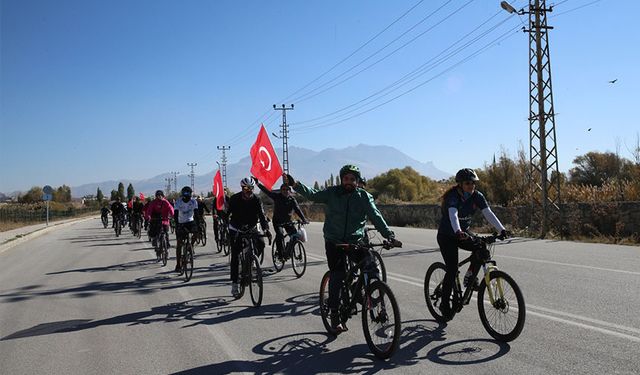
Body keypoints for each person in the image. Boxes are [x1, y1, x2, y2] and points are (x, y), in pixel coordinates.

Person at [287, 165, 402, 332]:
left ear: (357, 181)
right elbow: (313, 194)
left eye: (352, 179)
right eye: (346, 179)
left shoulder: (363, 196)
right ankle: (334, 315)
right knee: (338, 275)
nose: (349, 182)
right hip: (334, 241)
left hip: (356, 240)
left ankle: (367, 293)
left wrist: (389, 235)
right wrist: (296, 185)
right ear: (342, 179)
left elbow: (375, 215)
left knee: (370, 266)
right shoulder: (332, 193)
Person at [437, 168, 510, 320]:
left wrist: (501, 229)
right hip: (447, 236)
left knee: (481, 248)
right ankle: (444, 304)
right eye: (468, 183)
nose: (471, 186)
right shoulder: (453, 196)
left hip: (463, 233)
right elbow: (453, 214)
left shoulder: (477, 196)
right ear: (460, 184)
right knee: (451, 269)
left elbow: (488, 213)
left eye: (473, 183)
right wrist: (457, 231)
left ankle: (470, 277)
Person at [227, 178, 271, 296]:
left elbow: (261, 215)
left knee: (261, 243)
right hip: (236, 227)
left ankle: (250, 261)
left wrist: (266, 229)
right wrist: (226, 227)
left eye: (251, 188)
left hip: (251, 226)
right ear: (242, 188)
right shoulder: (235, 199)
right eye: (246, 188)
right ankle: (235, 283)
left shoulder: (257, 199)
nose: (249, 190)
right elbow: (227, 214)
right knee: (235, 255)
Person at [253, 177, 308, 259]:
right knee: (280, 235)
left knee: (295, 236)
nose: (285, 191)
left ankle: (289, 249)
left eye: (287, 189)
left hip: (288, 222)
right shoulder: (277, 196)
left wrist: (304, 219)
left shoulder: (292, 199)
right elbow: (267, 191)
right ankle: (280, 254)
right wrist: (258, 184)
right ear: (281, 190)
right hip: (277, 222)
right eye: (283, 189)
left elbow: (297, 209)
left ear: (289, 191)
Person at [174, 186, 199, 274]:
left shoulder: (193, 201)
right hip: (181, 222)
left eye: (188, 193)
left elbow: (196, 213)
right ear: (182, 194)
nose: (186, 195)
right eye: (185, 193)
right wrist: (177, 225)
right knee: (179, 243)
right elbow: (175, 215)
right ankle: (178, 264)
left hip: (190, 221)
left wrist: (198, 225)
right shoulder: (178, 202)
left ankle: (190, 246)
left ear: (190, 194)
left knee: (196, 234)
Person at [145, 190, 174, 256]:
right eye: (158, 196)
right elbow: (149, 210)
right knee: (154, 231)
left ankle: (167, 246)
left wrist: (173, 215)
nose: (159, 197)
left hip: (165, 219)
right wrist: (148, 216)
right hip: (155, 219)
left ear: (163, 196)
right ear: (156, 196)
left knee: (166, 233)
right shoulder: (153, 202)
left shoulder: (165, 202)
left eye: (160, 195)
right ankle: (155, 241)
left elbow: (171, 208)